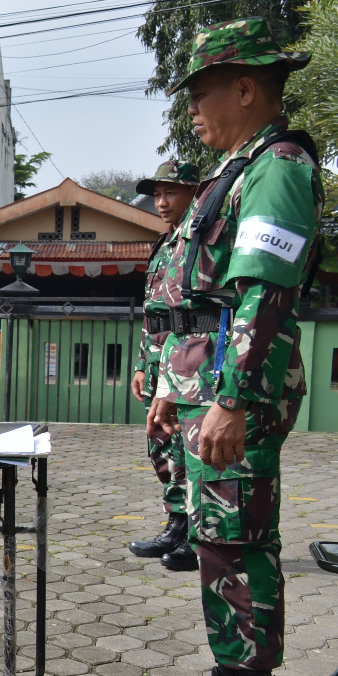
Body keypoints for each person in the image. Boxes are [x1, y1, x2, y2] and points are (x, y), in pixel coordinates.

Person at [143, 17, 321, 676]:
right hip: (209, 379)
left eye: (202, 91)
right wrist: (173, 383)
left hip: (236, 386)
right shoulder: (237, 170)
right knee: (219, 537)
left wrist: (233, 397)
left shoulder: (277, 166)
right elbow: (197, 297)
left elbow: (264, 293)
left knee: (239, 542)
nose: (191, 108)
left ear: (246, 89)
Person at [128, 160, 200, 571]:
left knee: (187, 446)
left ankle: (197, 533)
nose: (161, 202)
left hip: (185, 360)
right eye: (157, 194)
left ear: (194, 192)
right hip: (158, 360)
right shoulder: (164, 243)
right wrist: (142, 365)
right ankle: (176, 523)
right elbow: (151, 313)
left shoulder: (199, 238)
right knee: (162, 445)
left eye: (170, 192)